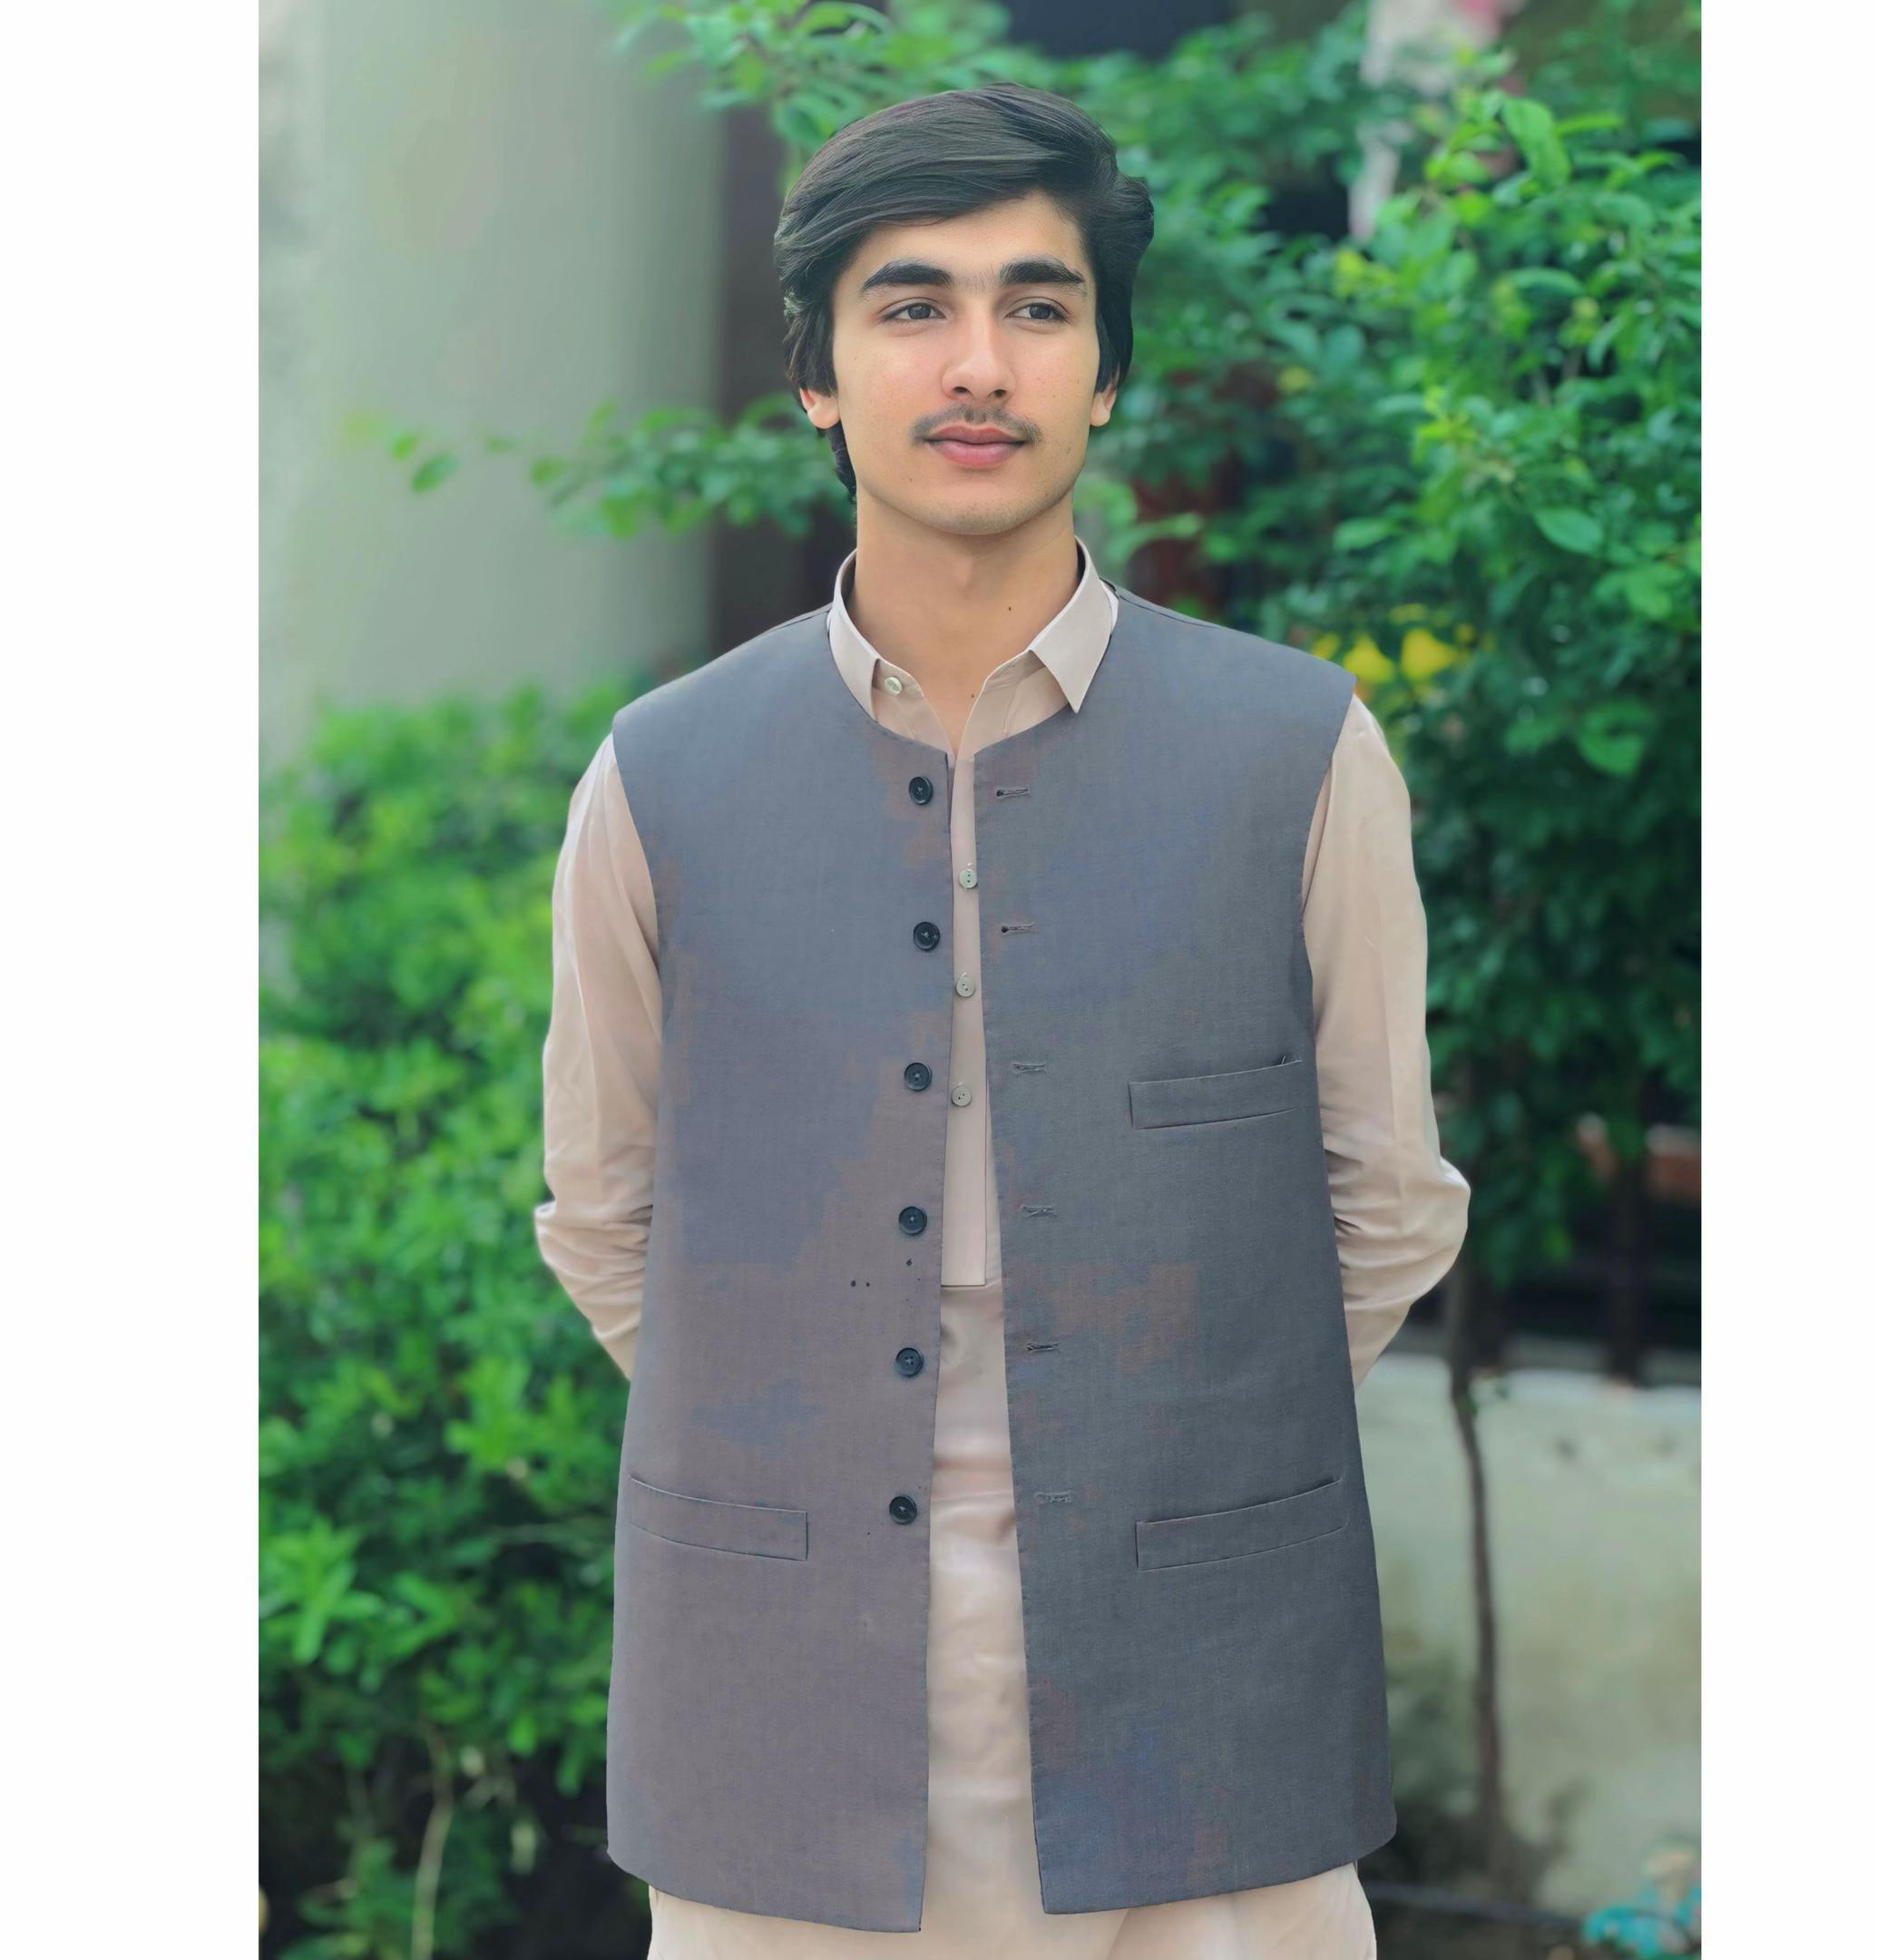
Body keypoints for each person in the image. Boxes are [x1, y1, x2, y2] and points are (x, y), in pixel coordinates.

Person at [537, 81, 1470, 1959]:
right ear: (816, 376)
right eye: (913, 306)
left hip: (1207, 1666)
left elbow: (1386, 1204)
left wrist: (1165, 1430)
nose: (980, 363)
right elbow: (605, 1215)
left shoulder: (1300, 753)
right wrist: (813, 1428)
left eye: (1039, 307)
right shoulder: (659, 776)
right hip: (779, 1678)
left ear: (1106, 372)